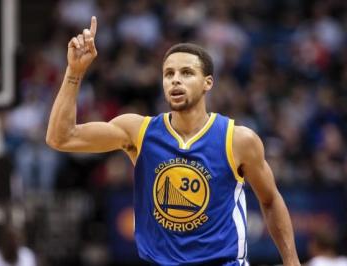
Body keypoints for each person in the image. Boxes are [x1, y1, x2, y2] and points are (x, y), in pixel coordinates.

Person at [46, 16, 300, 266]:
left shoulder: (238, 139)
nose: (175, 79)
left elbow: (271, 200)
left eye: (186, 73)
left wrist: (292, 262)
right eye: (169, 74)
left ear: (207, 83)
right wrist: (74, 72)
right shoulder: (139, 131)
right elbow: (61, 137)